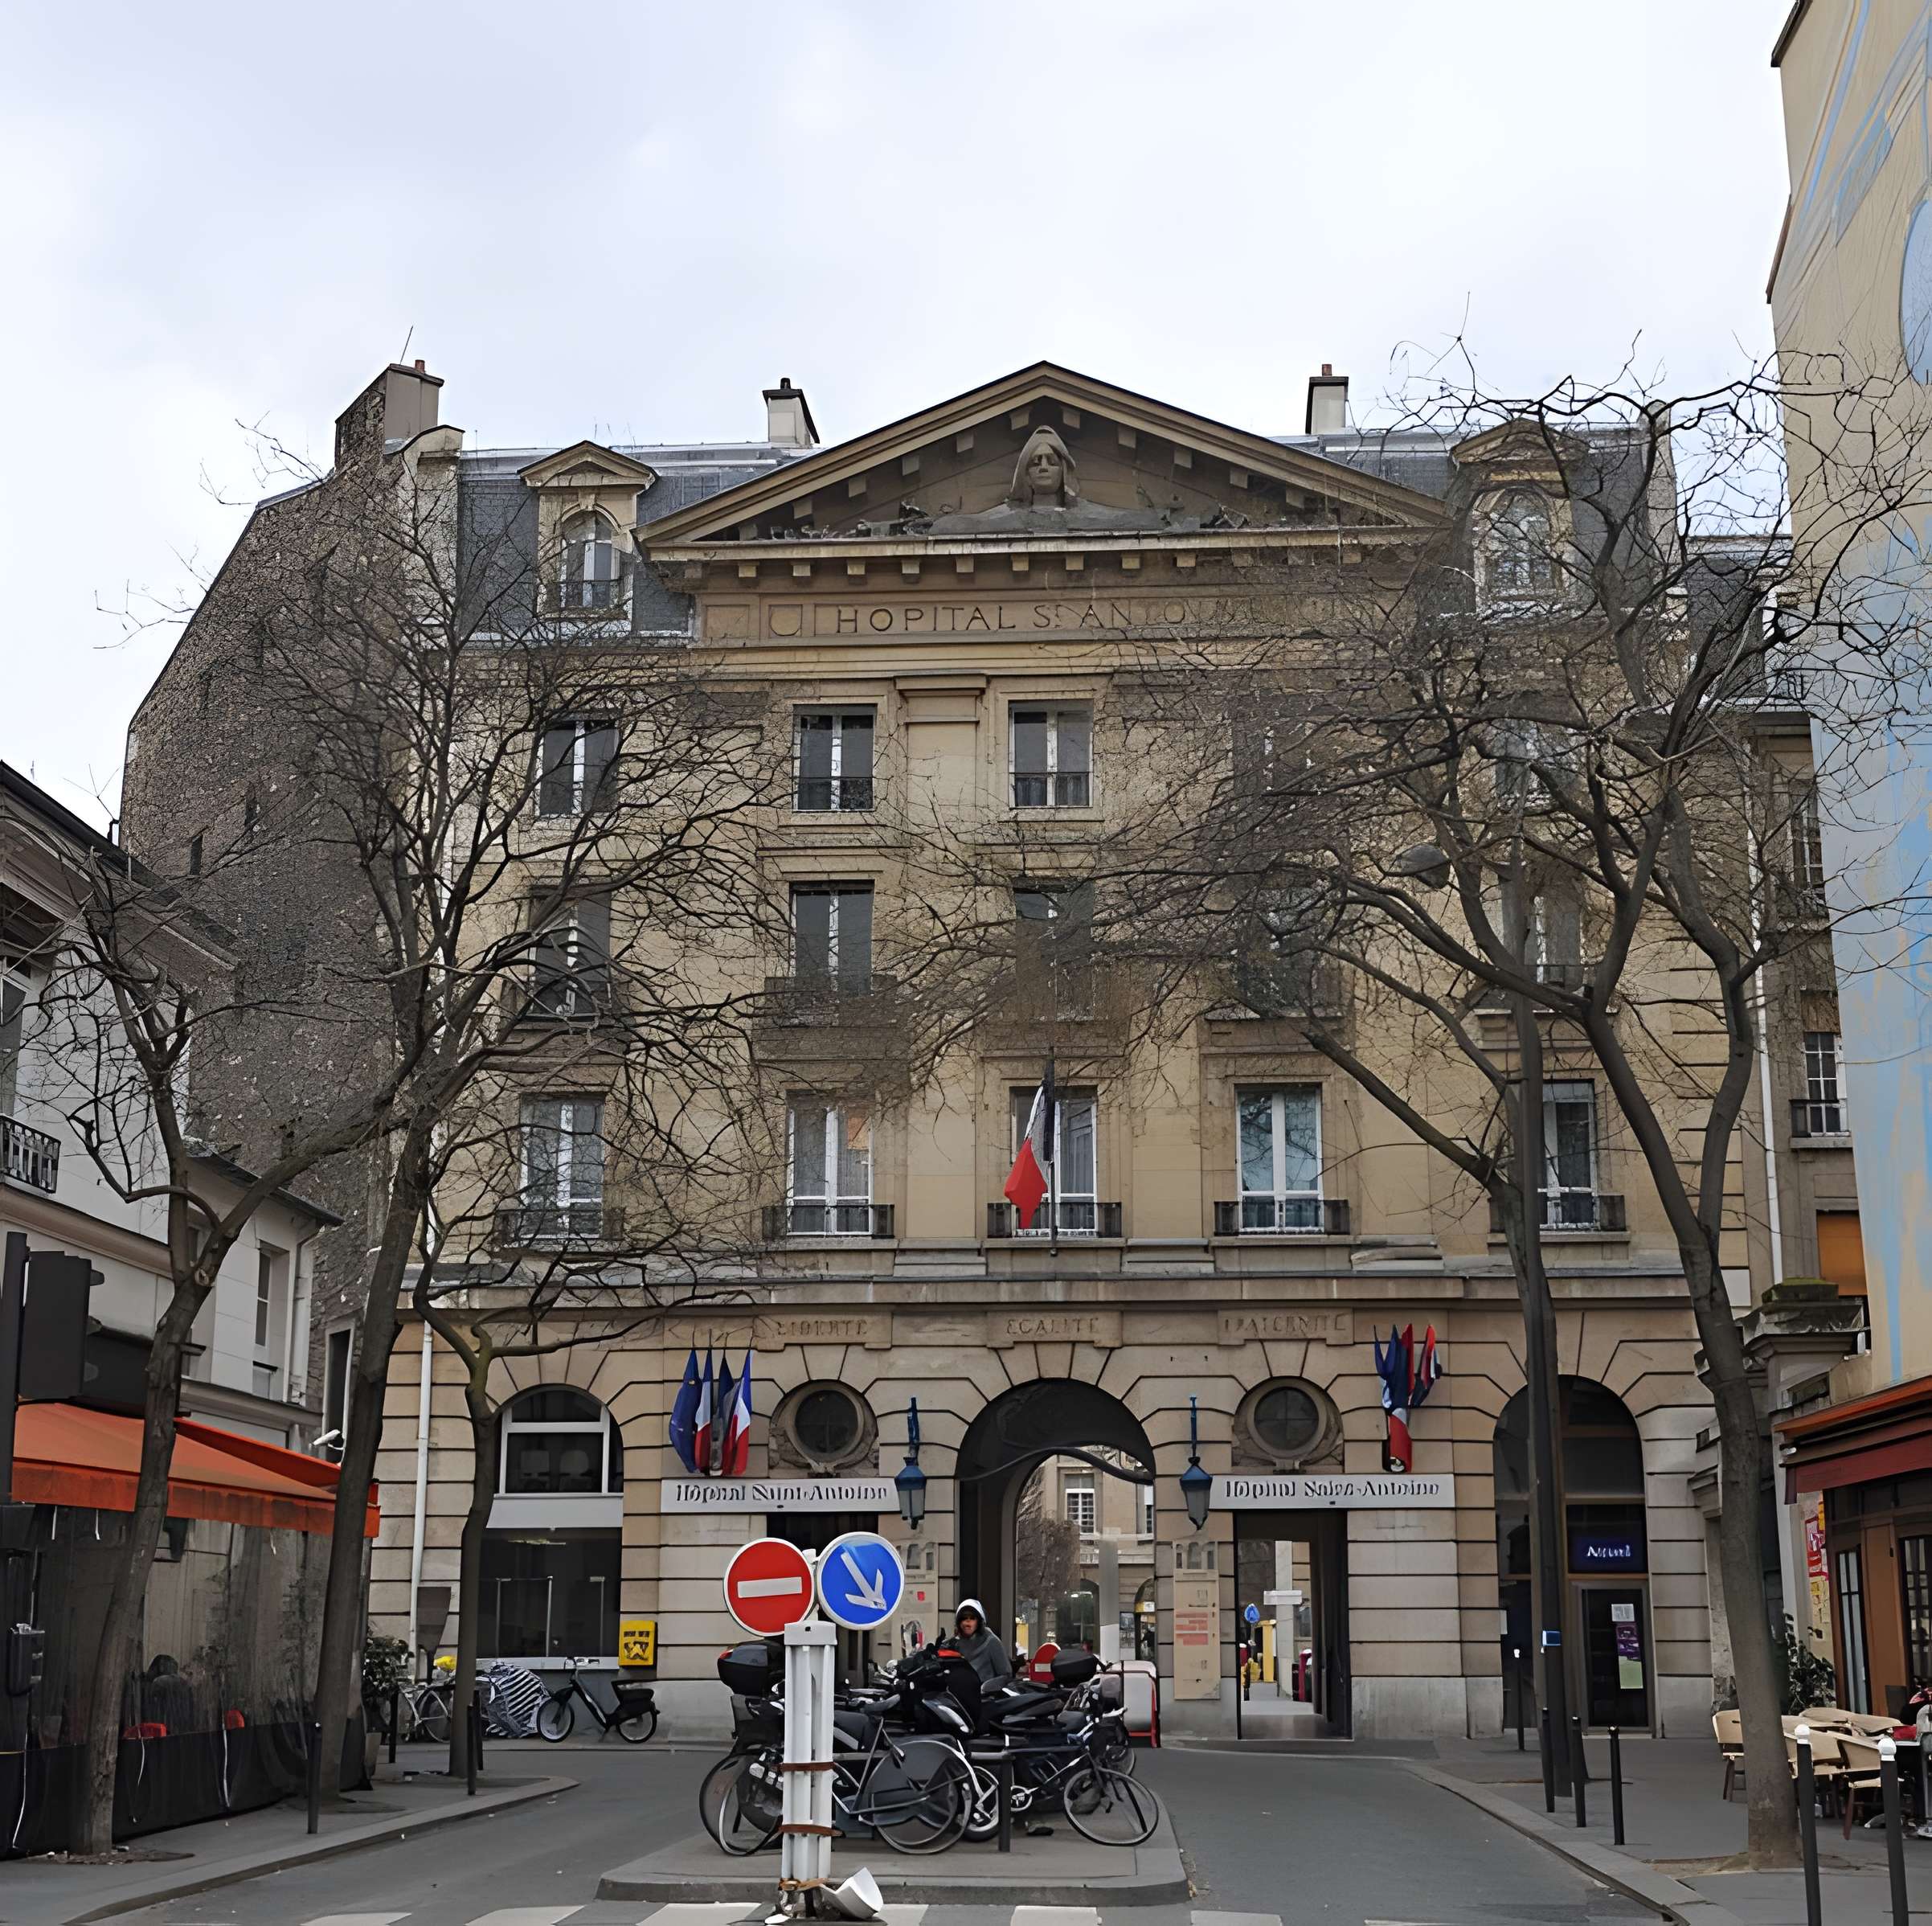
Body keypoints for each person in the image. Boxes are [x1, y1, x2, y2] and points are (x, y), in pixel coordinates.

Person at [949, 1599, 1013, 1686]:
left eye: (972, 1618)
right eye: (964, 1618)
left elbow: (1006, 1675)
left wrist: (986, 1687)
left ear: (979, 1622)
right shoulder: (954, 1643)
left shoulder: (991, 1641)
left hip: (985, 1696)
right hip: (959, 1694)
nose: (968, 1622)